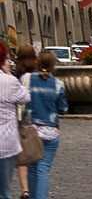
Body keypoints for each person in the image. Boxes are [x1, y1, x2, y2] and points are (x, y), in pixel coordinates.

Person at [21, 51, 67, 199]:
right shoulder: (58, 84)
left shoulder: (26, 79)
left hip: (31, 131)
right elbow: (63, 109)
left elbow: (20, 103)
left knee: (32, 167)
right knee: (43, 169)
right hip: (50, 131)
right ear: (53, 65)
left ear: (37, 62)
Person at [0, 44, 31, 199]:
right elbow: (25, 97)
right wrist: (9, 75)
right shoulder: (9, 81)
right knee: (4, 190)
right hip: (6, 142)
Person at [13, 46, 37, 199]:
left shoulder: (18, 77)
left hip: (24, 121)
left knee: (22, 156)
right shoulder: (39, 75)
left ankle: (25, 189)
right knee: (37, 159)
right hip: (40, 122)